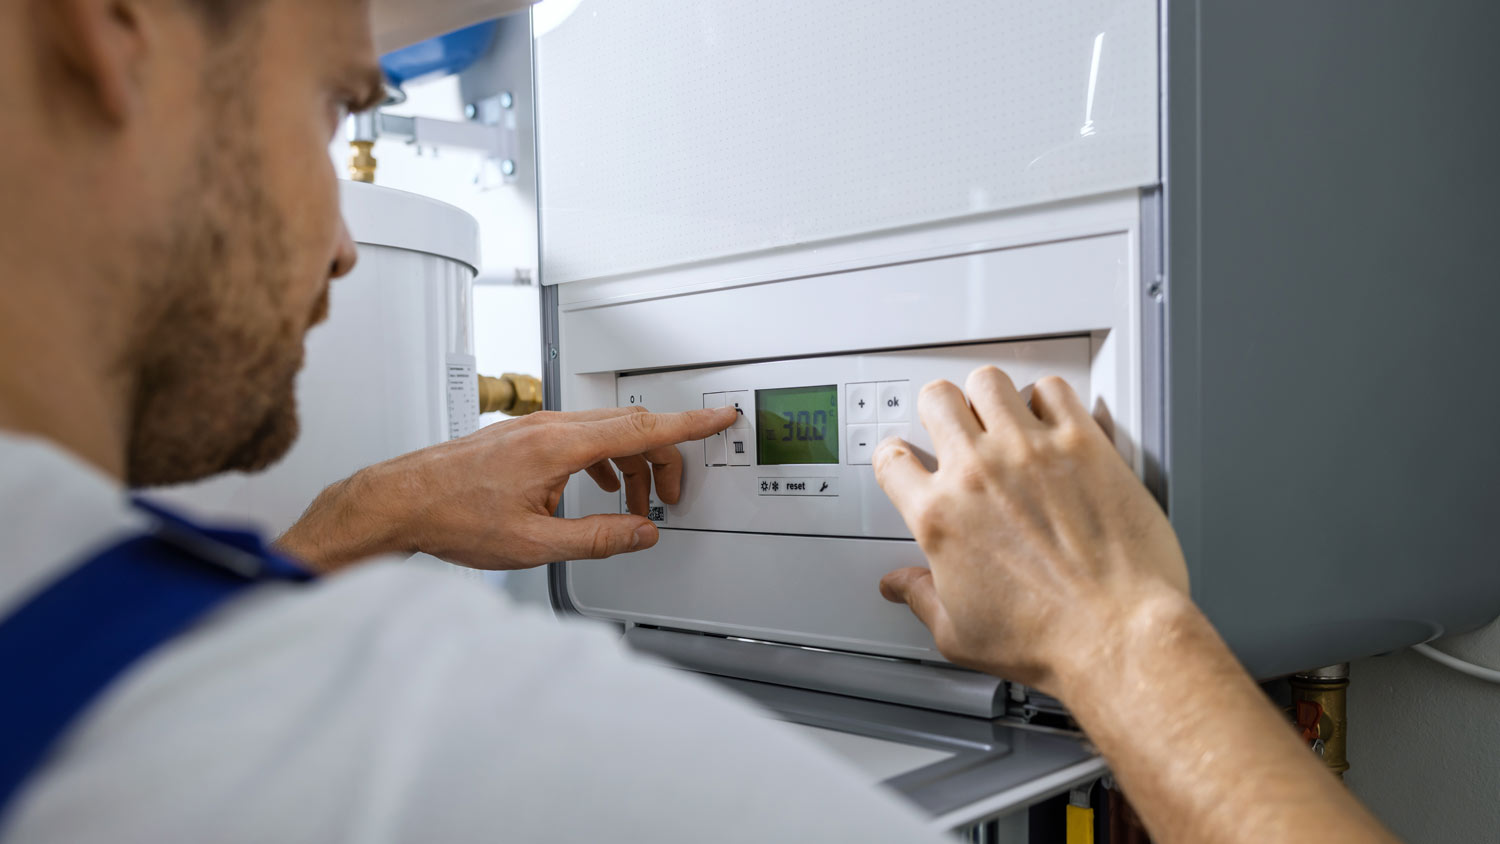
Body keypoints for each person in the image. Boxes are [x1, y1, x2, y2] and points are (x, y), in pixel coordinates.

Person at [0, 0, 1400, 842]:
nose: (347, 245)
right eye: (328, 108)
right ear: (119, 25)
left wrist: (362, 520)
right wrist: (1118, 632)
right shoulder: (456, 751)